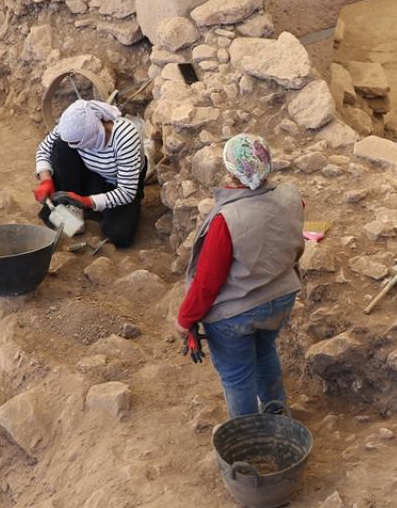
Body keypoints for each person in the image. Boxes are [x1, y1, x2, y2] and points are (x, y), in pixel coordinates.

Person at [175, 134, 305, 417]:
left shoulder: (227, 220)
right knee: (264, 353)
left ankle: (248, 439)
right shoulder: (292, 196)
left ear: (230, 172)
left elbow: (207, 284)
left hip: (236, 316)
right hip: (282, 298)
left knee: (237, 377)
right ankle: (278, 418)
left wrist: (186, 321)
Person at [33, 99, 146, 248]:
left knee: (119, 235)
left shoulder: (125, 136)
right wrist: (46, 180)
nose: (76, 146)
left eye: (80, 143)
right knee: (61, 146)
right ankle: (74, 209)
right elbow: (44, 150)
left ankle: (84, 206)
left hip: (117, 184)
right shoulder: (71, 123)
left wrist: (85, 201)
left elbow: (126, 192)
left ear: (93, 133)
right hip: (92, 173)